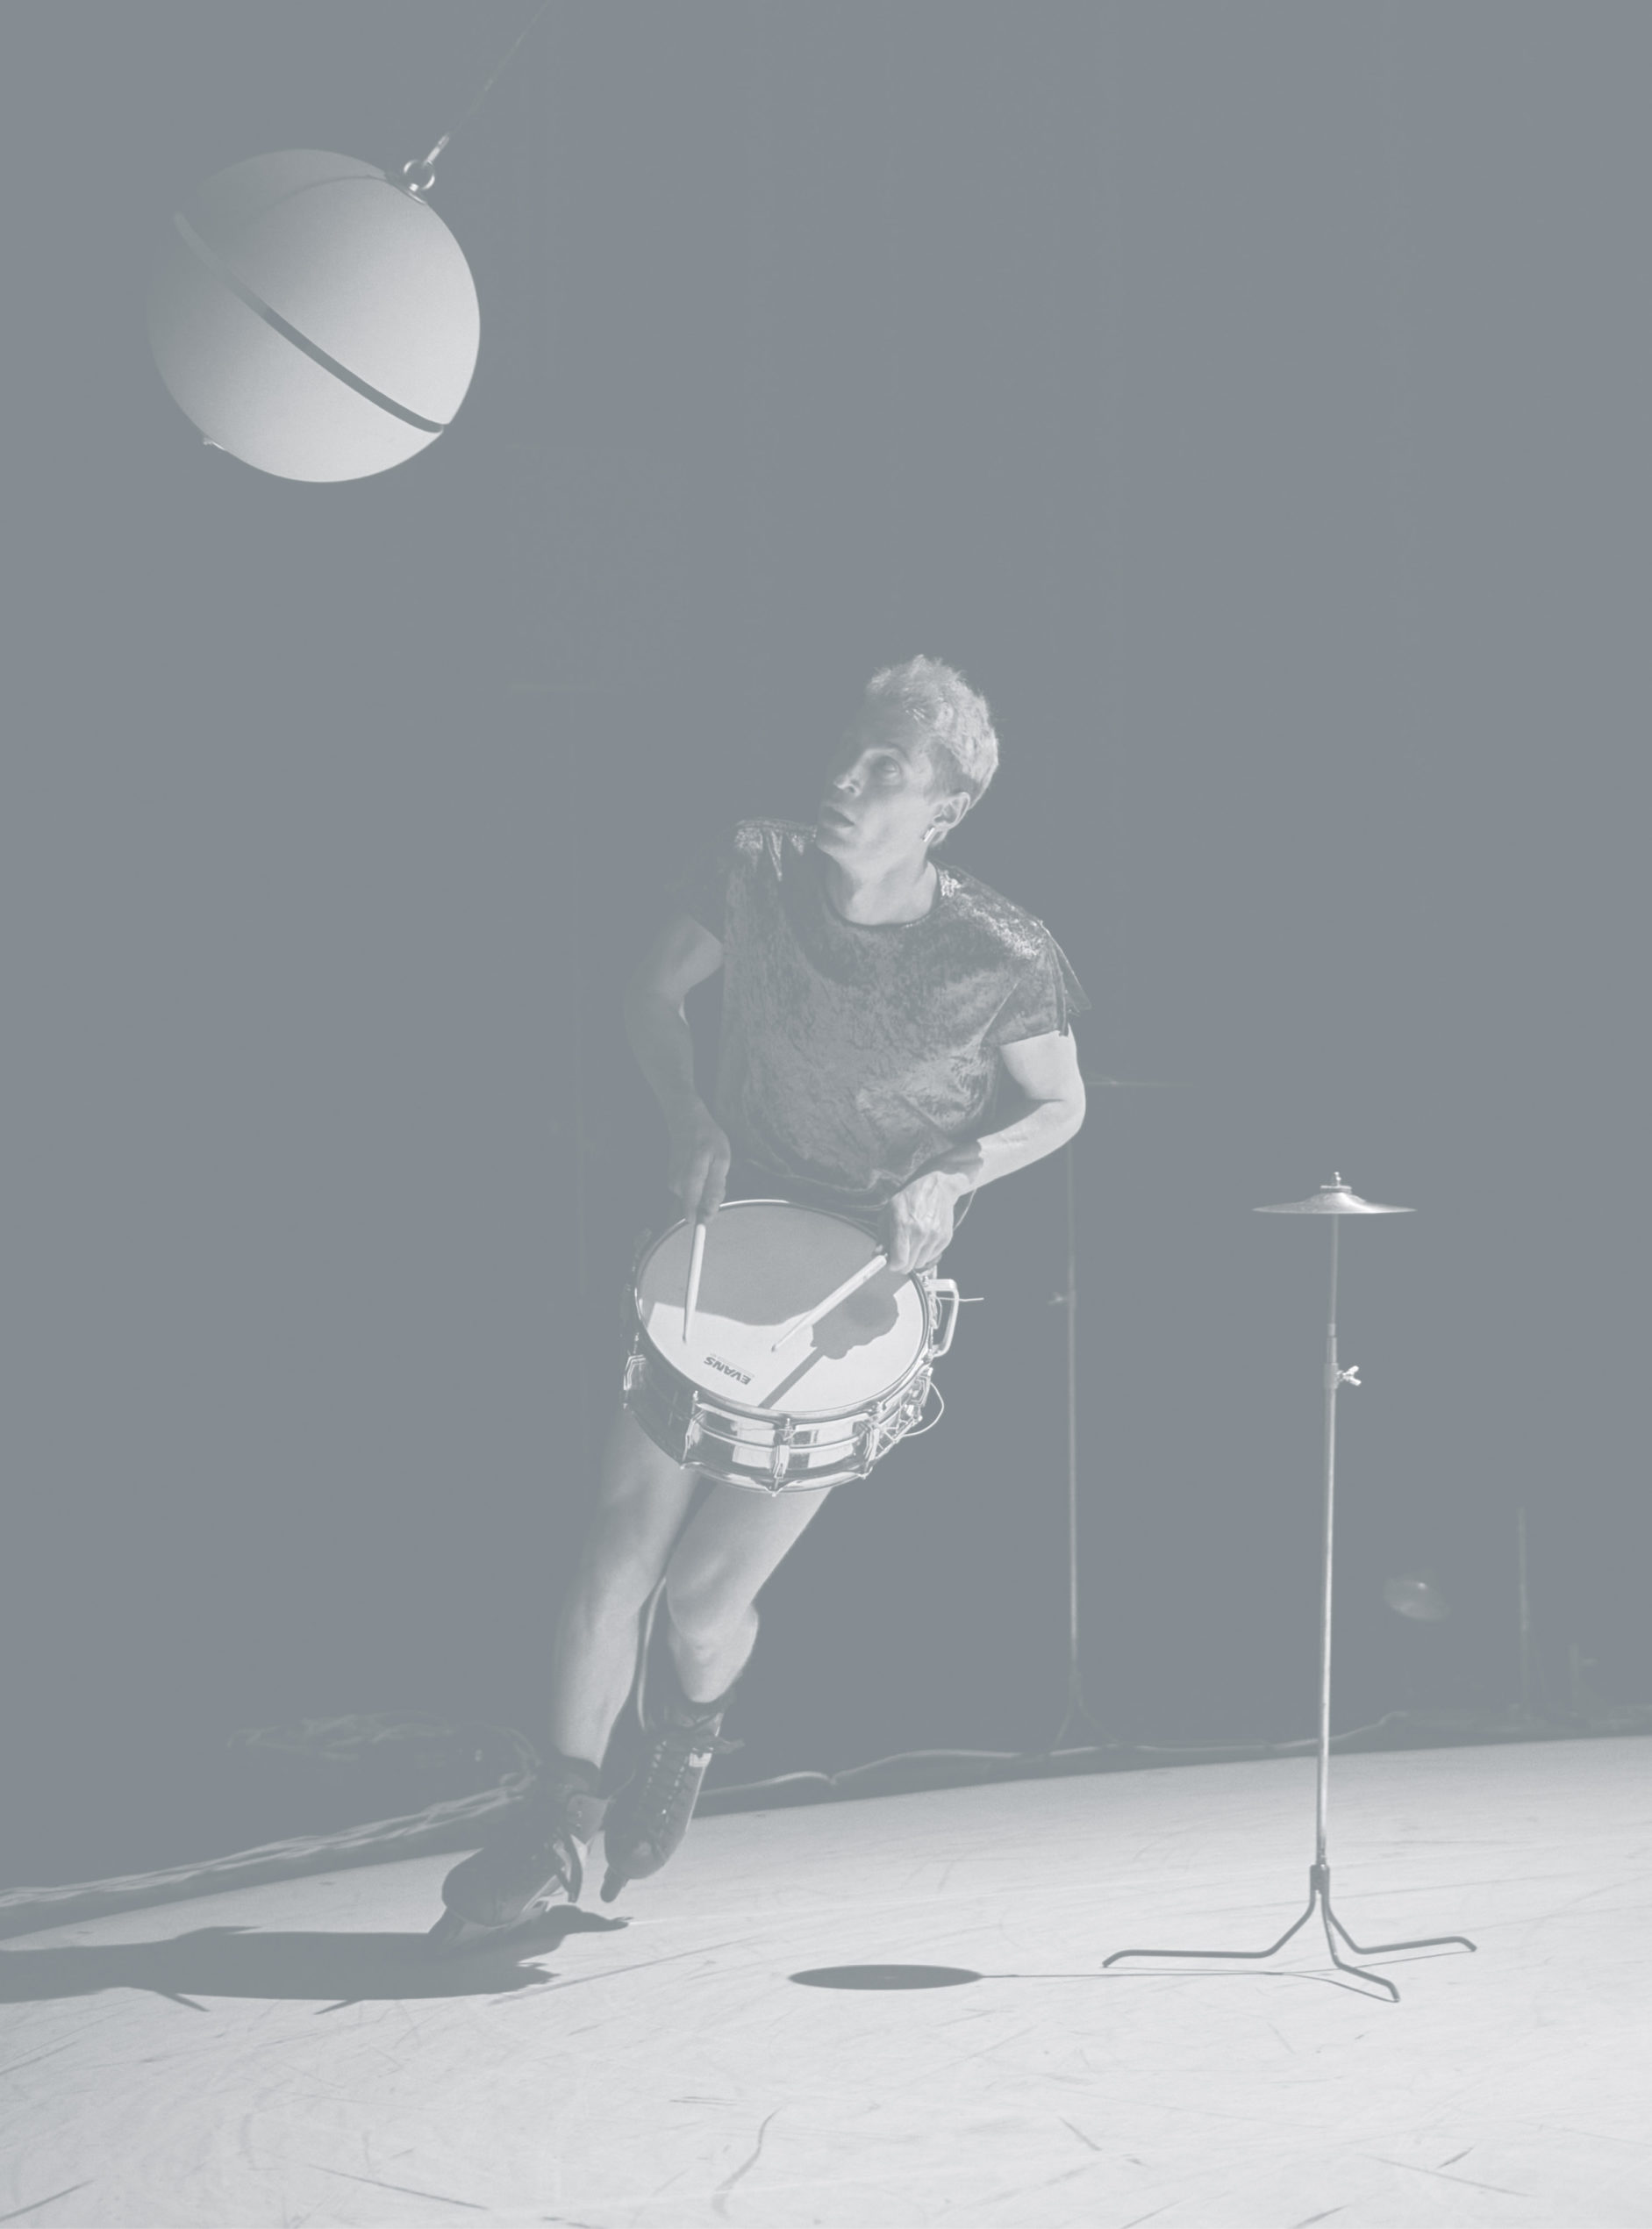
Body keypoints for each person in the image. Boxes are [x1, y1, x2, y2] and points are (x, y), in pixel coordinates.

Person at [433, 656, 1088, 1947]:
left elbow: (1062, 1103)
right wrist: (687, 1110)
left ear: (946, 808)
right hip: (718, 1242)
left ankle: (688, 1732)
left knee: (699, 1600)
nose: (845, 778)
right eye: (848, 750)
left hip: (857, 1291)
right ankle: (554, 1822)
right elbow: (651, 989)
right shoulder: (753, 867)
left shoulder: (1002, 954)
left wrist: (958, 1171)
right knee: (616, 1546)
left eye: (885, 769)